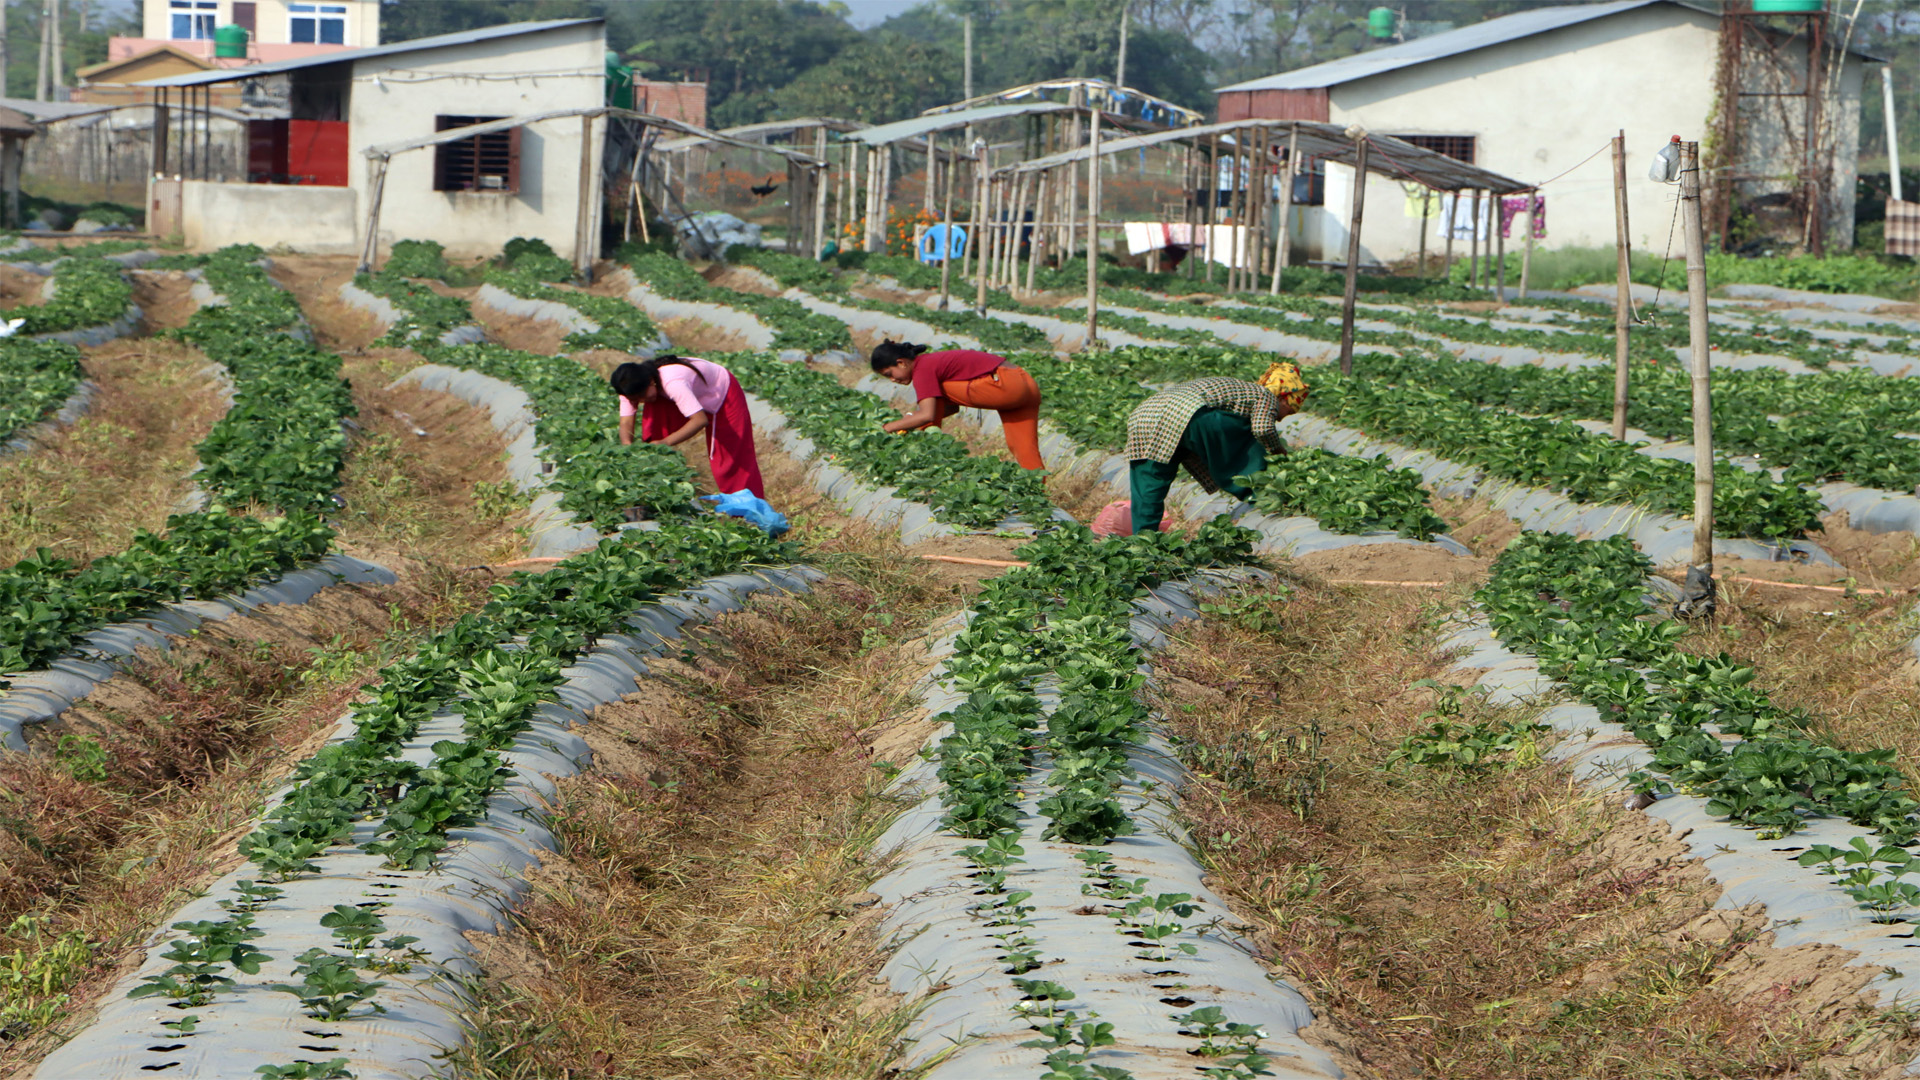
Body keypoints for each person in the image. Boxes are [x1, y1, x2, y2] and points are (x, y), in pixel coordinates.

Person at [1122, 363, 1309, 537]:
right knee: (1246, 435)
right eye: (1289, 411)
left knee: (1149, 484)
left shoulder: (1243, 390)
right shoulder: (1266, 395)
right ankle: (1262, 492)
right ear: (1283, 397)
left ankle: (1143, 541)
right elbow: (1263, 428)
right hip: (1188, 413)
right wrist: (1278, 451)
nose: (1282, 419)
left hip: (1144, 415)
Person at [611, 355, 766, 499]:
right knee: (651, 424)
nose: (641, 401)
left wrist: (666, 442)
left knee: (730, 459)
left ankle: (747, 508)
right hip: (691, 395)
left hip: (720, 394)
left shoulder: (673, 383)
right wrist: (628, 449)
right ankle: (655, 469)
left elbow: (699, 420)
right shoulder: (629, 389)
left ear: (651, 381)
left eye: (642, 396)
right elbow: (626, 422)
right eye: (635, 399)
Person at [872, 342, 1045, 470]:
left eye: (890, 374)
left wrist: (888, 428)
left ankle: (929, 449)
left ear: (901, 363)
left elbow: (928, 414)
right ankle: (1039, 496)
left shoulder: (923, 368)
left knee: (934, 395)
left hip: (1004, 385)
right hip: (1025, 383)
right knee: (1023, 447)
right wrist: (910, 421)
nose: (893, 380)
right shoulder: (932, 362)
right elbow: (951, 407)